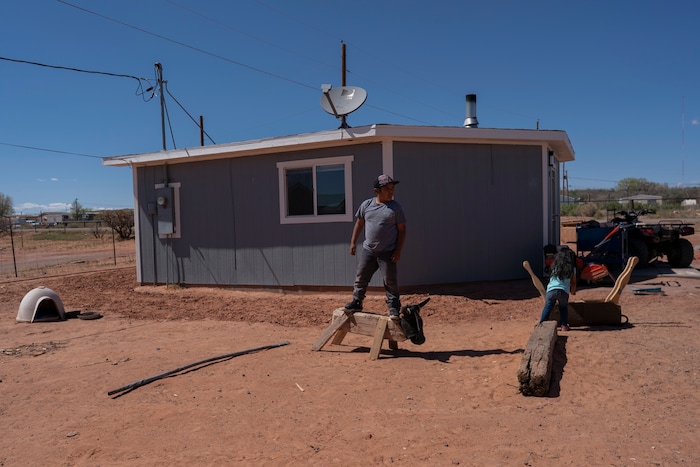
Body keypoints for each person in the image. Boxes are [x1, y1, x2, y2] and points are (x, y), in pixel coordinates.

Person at [344, 174, 407, 319]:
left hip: (388, 252)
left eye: (392, 188)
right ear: (376, 191)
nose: (391, 191)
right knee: (361, 277)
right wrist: (353, 242)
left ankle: (394, 307)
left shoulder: (395, 208)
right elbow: (359, 224)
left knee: (390, 281)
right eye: (387, 189)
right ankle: (357, 301)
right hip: (369, 250)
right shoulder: (366, 205)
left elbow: (402, 230)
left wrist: (398, 250)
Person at [538, 246, 577, 331]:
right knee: (563, 308)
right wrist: (573, 290)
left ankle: (542, 323)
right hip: (563, 291)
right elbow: (573, 281)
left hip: (551, 290)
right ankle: (564, 325)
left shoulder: (554, 266)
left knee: (548, 306)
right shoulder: (571, 268)